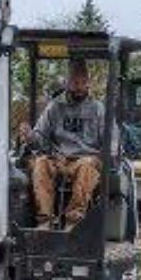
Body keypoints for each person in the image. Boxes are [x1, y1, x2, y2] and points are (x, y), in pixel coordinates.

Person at [20, 58, 104, 229]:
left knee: (87, 165)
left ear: (88, 84)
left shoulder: (98, 109)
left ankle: (74, 220)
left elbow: (111, 139)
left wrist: (105, 155)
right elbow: (40, 138)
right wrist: (30, 137)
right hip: (59, 159)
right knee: (40, 163)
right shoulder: (55, 107)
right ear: (67, 83)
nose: (79, 87)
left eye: (83, 82)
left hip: (86, 158)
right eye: (75, 82)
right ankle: (45, 220)